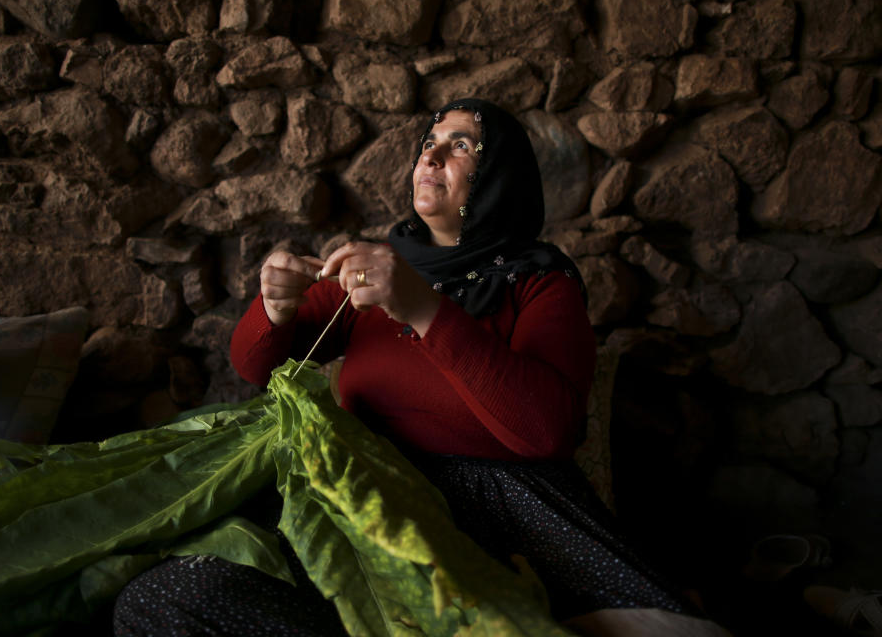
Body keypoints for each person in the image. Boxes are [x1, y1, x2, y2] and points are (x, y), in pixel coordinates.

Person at [113, 99, 730, 636]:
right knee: (165, 599)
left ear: (497, 178)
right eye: (428, 144)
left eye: (459, 146)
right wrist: (273, 306)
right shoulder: (376, 266)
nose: (431, 158)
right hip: (368, 501)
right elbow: (257, 365)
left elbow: (547, 431)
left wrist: (424, 310)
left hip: (501, 514)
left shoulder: (539, 282)